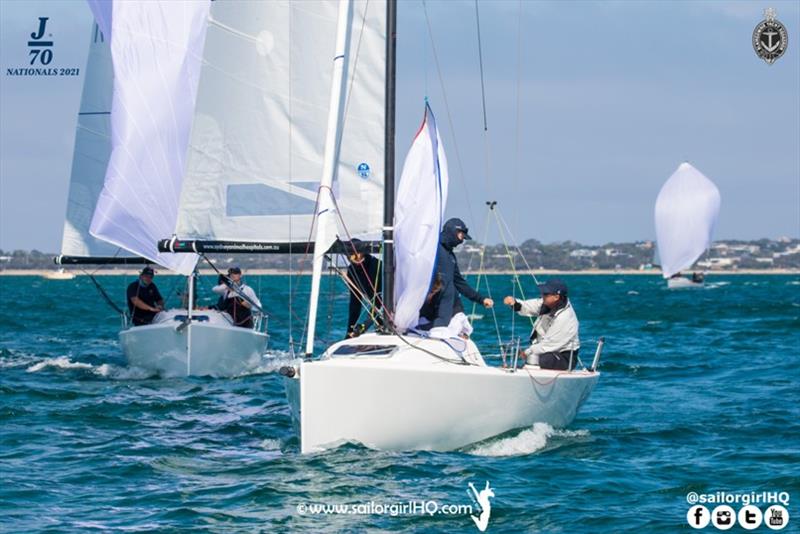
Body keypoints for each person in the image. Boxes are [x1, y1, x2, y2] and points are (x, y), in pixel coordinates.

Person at [502, 278, 580, 370]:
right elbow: (529, 306)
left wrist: (527, 352)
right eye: (543, 293)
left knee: (544, 359)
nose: (542, 295)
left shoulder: (565, 317)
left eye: (546, 294)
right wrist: (514, 303)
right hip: (546, 351)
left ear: (556, 297)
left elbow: (549, 345)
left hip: (564, 357)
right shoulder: (547, 304)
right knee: (538, 358)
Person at [432, 218, 493, 328]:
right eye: (461, 236)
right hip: (429, 305)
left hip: (446, 307)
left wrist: (481, 299)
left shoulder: (450, 255)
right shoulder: (433, 248)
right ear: (453, 231)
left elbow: (459, 282)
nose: (462, 241)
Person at [345, 239, 382, 337]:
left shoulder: (376, 265)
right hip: (378, 314)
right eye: (352, 254)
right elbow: (355, 302)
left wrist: (364, 326)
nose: (357, 257)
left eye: (360, 253)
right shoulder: (351, 271)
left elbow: (380, 300)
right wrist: (350, 330)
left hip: (393, 310)